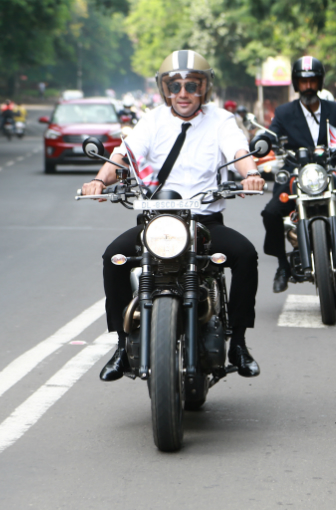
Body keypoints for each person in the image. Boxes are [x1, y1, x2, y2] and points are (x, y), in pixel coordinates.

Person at [81, 49, 266, 382]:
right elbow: (124, 155)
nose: (183, 94)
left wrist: (250, 173)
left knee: (245, 255)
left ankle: (238, 343)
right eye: (175, 85)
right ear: (164, 88)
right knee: (115, 257)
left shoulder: (221, 120)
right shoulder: (152, 121)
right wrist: (98, 180)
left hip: (203, 222)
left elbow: (239, 151)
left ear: (204, 88)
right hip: (157, 222)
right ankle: (122, 346)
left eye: (192, 85)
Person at [258, 56, 336, 292]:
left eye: (313, 80)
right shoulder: (283, 112)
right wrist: (261, 141)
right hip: (296, 175)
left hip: (333, 173)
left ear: (320, 81)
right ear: (295, 84)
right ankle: (282, 265)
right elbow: (271, 135)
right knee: (271, 213)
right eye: (303, 82)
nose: (308, 86)